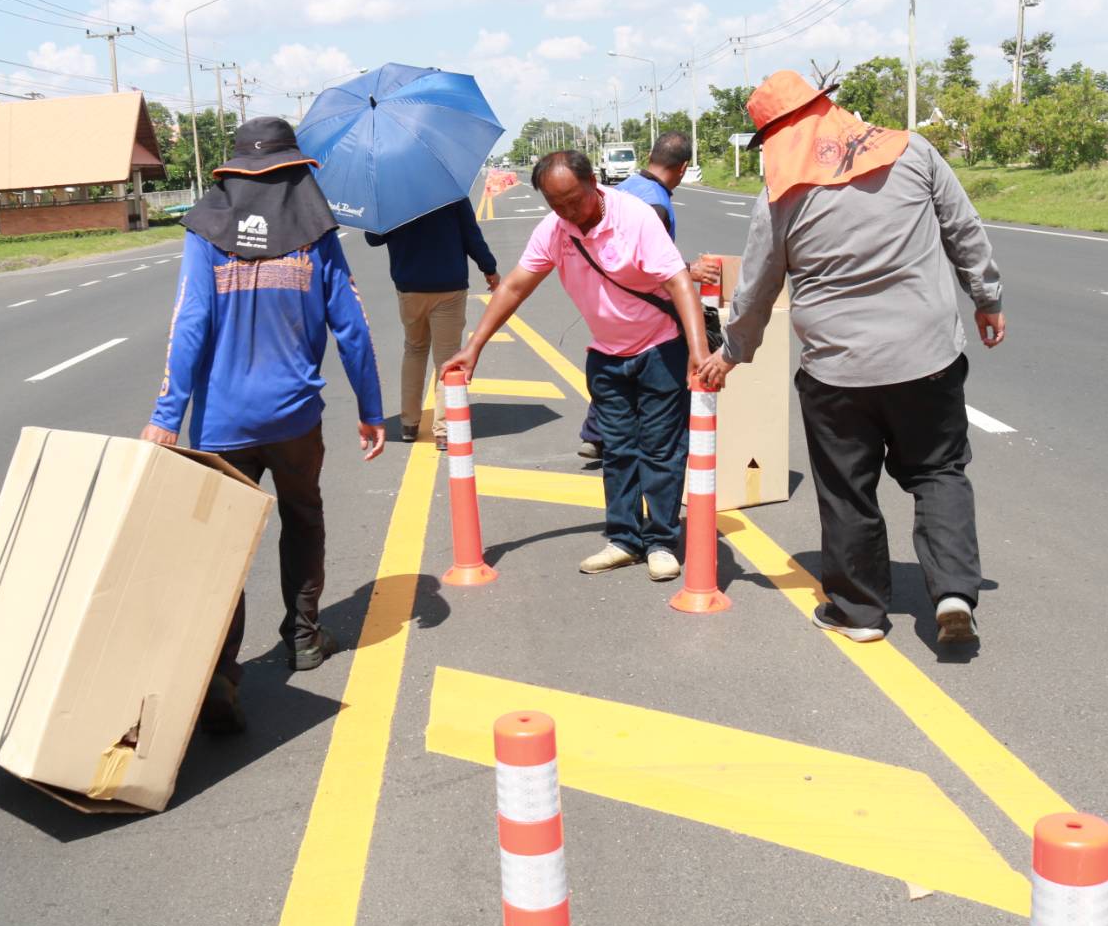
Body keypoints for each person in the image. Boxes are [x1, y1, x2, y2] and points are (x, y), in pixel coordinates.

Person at [697, 71, 1005, 646]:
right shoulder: (912, 151)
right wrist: (986, 298)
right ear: (827, 107)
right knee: (938, 471)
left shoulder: (780, 194)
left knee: (847, 489)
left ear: (772, 135)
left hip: (837, 372)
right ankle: (954, 593)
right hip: (927, 359)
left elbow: (757, 288)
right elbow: (964, 229)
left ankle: (859, 612)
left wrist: (732, 352)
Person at [141, 116, 386, 732]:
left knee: (222, 545)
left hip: (221, 425)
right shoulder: (314, 232)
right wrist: (370, 409)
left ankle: (222, 673)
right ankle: (304, 637)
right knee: (302, 517)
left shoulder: (206, 231)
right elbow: (352, 328)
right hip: (295, 418)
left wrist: (166, 417)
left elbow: (189, 324)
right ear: (294, 172)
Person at [442, 150, 710, 582]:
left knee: (661, 450)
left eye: (574, 200)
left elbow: (679, 281)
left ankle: (661, 541)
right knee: (618, 451)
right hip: (606, 356)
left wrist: (697, 351)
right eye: (556, 203)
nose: (568, 211)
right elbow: (515, 287)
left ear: (594, 184)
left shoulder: (634, 217)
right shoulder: (554, 230)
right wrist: (474, 347)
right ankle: (624, 540)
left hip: (661, 349)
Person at [578, 131, 720, 460]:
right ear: (683, 168)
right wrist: (688, 270)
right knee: (654, 373)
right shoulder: (656, 203)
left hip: (607, 300)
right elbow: (641, 258)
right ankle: (646, 443)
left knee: (614, 365)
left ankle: (596, 435)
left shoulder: (626, 187)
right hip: (642, 303)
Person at [365, 198, 500, 451]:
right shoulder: (451, 192)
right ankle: (444, 431)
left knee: (414, 350)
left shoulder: (390, 195)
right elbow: (471, 236)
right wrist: (489, 269)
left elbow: (373, 238)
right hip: (449, 286)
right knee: (447, 359)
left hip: (409, 287)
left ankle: (409, 424)